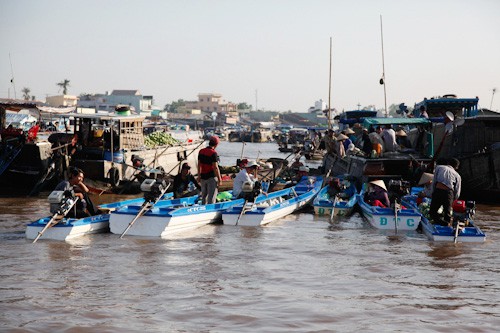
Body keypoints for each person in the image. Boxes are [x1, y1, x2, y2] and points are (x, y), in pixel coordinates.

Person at [429, 158, 462, 226]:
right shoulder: (457, 175)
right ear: (456, 167)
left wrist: (432, 193)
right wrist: (453, 199)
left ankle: (441, 223)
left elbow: (434, 181)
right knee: (447, 214)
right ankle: (447, 225)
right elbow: (457, 190)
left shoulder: (439, 167)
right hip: (449, 194)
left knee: (432, 212)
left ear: (448, 163)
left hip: (438, 191)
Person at [197, 135, 222, 204]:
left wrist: (199, 176)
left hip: (203, 177)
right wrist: (220, 179)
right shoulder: (213, 153)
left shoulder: (201, 151)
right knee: (211, 196)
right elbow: (215, 167)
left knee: (204, 196)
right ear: (216, 144)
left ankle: (203, 208)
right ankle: (210, 210)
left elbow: (199, 165)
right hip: (211, 177)